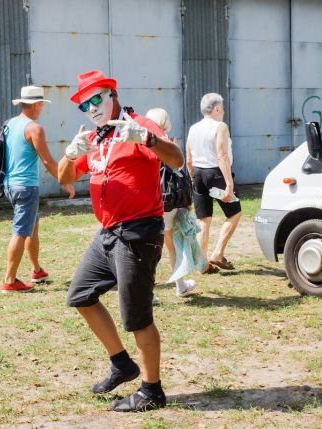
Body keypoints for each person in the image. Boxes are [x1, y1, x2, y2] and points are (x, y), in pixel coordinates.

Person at [57, 70, 183, 412]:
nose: (91, 106)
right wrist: (70, 154)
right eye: (84, 103)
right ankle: (121, 364)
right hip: (108, 234)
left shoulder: (137, 125)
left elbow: (177, 159)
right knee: (81, 295)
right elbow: (64, 179)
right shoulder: (95, 137)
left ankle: (152, 390)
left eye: (96, 98)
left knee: (137, 317)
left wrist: (147, 139)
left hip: (138, 233)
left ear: (112, 94)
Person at [1, 85, 75, 293]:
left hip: (10, 183)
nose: (42, 108)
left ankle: (36, 270)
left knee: (32, 226)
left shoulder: (9, 124)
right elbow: (49, 162)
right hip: (26, 186)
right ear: (36, 105)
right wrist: (65, 180)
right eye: (41, 104)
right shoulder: (34, 128)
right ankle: (10, 280)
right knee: (21, 231)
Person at [145, 108, 205, 298]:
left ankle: (148, 292)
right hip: (170, 203)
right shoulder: (170, 144)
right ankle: (180, 286)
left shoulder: (143, 143)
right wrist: (187, 202)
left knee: (150, 250)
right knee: (171, 246)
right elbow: (181, 174)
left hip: (150, 203)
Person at [185, 93, 242, 271]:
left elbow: (188, 158)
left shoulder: (193, 128)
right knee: (235, 211)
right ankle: (218, 253)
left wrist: (193, 176)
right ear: (216, 109)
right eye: (222, 108)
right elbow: (222, 155)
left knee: (204, 219)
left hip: (199, 175)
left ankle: (203, 264)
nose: (223, 112)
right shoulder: (220, 126)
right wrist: (229, 184)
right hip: (215, 174)